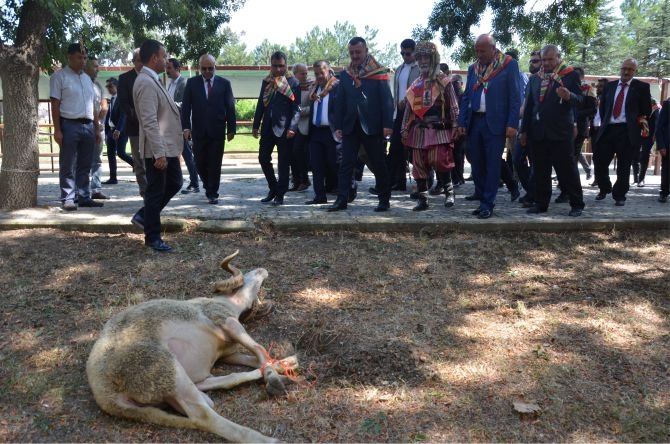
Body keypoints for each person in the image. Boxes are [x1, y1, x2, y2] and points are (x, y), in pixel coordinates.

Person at [456, 34, 521, 219]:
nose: (479, 54)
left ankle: (487, 203)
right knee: (476, 163)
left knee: (493, 164)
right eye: (476, 50)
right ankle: (482, 197)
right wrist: (462, 121)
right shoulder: (473, 68)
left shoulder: (509, 65)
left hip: (496, 123)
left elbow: (515, 97)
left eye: (482, 51)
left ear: (493, 49)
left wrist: (512, 123)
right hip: (475, 121)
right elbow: (467, 96)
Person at [520, 44, 585, 217]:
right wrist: (524, 131)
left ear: (558, 57)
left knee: (567, 170)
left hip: (560, 133)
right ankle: (541, 204)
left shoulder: (570, 75)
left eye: (550, 59)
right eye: (544, 59)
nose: (546, 63)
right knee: (540, 170)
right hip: (538, 132)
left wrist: (569, 96)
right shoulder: (535, 78)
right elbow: (529, 107)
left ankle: (577, 203)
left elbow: (580, 101)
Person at [131, 39, 183, 252]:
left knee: (174, 182)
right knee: (155, 191)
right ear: (154, 58)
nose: (166, 60)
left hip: (166, 146)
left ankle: (145, 216)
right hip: (157, 149)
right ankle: (152, 237)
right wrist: (158, 153)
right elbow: (149, 120)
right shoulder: (145, 82)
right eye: (163, 56)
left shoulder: (152, 79)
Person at [331, 36, 394, 212]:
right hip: (350, 126)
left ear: (366, 50)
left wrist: (388, 124)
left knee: (378, 164)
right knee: (346, 165)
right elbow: (340, 102)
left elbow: (387, 101)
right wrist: (338, 125)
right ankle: (342, 200)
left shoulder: (378, 72)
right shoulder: (345, 74)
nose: (355, 55)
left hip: (373, 126)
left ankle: (384, 200)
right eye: (351, 52)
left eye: (358, 52)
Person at [400, 41, 459, 211]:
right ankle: (423, 199)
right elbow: (409, 110)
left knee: (439, 160)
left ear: (434, 59)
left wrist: (456, 125)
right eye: (420, 58)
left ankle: (449, 191)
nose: (423, 61)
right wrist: (404, 128)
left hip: (438, 129)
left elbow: (453, 105)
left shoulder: (443, 81)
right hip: (418, 130)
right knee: (418, 164)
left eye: (426, 57)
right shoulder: (415, 85)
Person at [49, 42, 103, 211]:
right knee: (68, 163)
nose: (82, 61)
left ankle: (84, 196)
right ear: (69, 57)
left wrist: (96, 127)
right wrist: (57, 130)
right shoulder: (59, 77)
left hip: (88, 125)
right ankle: (68, 198)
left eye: (85, 57)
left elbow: (92, 106)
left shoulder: (87, 79)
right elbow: (55, 105)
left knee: (85, 163)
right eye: (79, 57)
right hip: (69, 124)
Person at [592, 58, 652, 206]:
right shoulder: (609, 86)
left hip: (627, 131)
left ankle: (619, 195)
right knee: (599, 160)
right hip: (608, 129)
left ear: (635, 71)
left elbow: (646, 110)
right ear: (620, 68)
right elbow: (603, 107)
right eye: (624, 68)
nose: (626, 72)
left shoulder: (642, 87)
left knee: (624, 166)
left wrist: (637, 122)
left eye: (630, 69)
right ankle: (605, 187)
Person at [181, 54, 236, 204]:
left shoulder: (224, 84)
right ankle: (207, 185)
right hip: (198, 131)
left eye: (210, 68)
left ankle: (212, 192)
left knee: (215, 163)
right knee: (199, 162)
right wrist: (186, 127)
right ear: (200, 68)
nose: (207, 71)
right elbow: (186, 108)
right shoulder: (192, 83)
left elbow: (230, 107)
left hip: (217, 130)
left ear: (215, 67)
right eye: (204, 68)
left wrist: (232, 129)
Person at [252, 51, 301, 206]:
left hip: (285, 129)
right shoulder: (266, 81)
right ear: (270, 65)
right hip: (267, 127)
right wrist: (255, 125)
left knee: (283, 163)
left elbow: (297, 108)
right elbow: (261, 103)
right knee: (263, 158)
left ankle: (280, 194)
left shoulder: (293, 82)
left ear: (286, 65)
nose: (278, 69)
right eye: (275, 66)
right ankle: (273, 188)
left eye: (281, 66)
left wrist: (292, 127)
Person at [554, 65, 596, 203]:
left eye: (578, 76)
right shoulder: (561, 85)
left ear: (582, 77)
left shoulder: (588, 90)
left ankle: (572, 193)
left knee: (570, 161)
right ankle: (563, 189)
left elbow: (592, 109)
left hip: (579, 129)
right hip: (562, 128)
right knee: (560, 160)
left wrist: (576, 116)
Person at [305, 60, 341, 205]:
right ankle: (320, 196)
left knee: (335, 164)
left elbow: (341, 109)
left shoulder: (336, 86)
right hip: (315, 132)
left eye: (321, 72)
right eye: (316, 73)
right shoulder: (314, 89)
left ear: (328, 71)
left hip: (331, 131)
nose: (319, 76)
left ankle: (346, 191)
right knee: (316, 166)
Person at [166, 57, 200, 195]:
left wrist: (168, 104)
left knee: (186, 154)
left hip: (181, 125)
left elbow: (185, 105)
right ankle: (174, 180)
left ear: (177, 69)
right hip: (170, 125)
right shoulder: (170, 84)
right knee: (173, 154)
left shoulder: (184, 83)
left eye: (169, 68)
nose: (166, 71)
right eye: (166, 68)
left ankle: (194, 183)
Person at [388, 39, 419, 192]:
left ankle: (424, 179)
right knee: (396, 148)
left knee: (415, 149)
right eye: (402, 53)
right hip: (399, 113)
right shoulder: (399, 69)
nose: (405, 56)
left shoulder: (420, 68)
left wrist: (407, 102)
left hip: (415, 113)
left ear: (414, 52)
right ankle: (398, 181)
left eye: (408, 53)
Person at [118, 48, 148, 197]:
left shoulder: (152, 77)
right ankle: (144, 190)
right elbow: (122, 102)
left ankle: (153, 187)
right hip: (134, 125)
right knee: (138, 160)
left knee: (151, 158)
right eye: (138, 61)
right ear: (134, 62)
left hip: (151, 126)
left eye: (143, 61)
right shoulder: (124, 78)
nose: (141, 64)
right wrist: (134, 114)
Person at [84, 56, 109, 200]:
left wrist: (100, 117)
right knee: (82, 160)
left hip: (99, 127)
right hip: (87, 126)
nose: (97, 69)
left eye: (97, 66)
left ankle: (96, 189)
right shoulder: (82, 83)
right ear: (85, 67)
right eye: (94, 66)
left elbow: (104, 103)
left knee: (97, 160)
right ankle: (81, 190)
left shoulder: (98, 86)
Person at [103, 77, 133, 184]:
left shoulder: (122, 99)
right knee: (110, 154)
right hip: (111, 131)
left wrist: (118, 130)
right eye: (107, 87)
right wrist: (107, 132)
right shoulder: (111, 99)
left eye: (110, 86)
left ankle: (137, 166)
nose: (108, 89)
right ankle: (113, 177)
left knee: (121, 153)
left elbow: (123, 115)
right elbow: (109, 116)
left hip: (121, 131)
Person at [289, 63, 313, 192]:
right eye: (302, 73)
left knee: (298, 151)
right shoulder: (290, 87)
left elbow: (313, 107)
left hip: (304, 125)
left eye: (306, 73)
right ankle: (297, 181)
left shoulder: (311, 87)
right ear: (295, 74)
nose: (305, 76)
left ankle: (304, 179)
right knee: (292, 154)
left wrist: (299, 111)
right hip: (292, 126)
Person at [633, 98, 659, 187]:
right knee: (635, 155)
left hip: (649, 136)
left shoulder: (656, 110)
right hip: (638, 134)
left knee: (644, 155)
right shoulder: (639, 108)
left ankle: (641, 179)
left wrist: (655, 135)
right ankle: (635, 178)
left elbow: (657, 123)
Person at [655, 98, 669, 203]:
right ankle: (664, 193)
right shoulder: (667, 105)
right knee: (667, 170)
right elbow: (659, 127)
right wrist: (661, 145)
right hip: (668, 144)